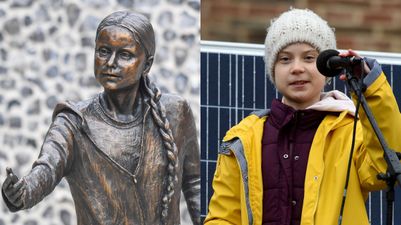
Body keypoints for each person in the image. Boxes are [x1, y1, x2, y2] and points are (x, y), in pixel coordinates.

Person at [204, 8, 401, 225]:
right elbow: (223, 217)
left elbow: (385, 165)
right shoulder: (243, 139)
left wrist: (370, 89)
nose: (297, 68)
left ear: (328, 67)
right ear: (273, 69)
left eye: (309, 58)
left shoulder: (351, 132)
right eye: (285, 59)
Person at [2, 11, 200, 225]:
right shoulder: (73, 123)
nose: (111, 63)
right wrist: (22, 192)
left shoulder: (176, 112)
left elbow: (195, 184)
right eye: (103, 51)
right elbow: (47, 168)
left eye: (125, 55)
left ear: (147, 64)